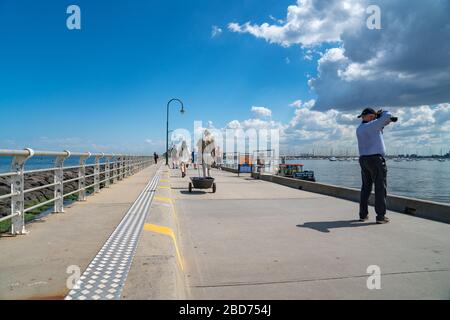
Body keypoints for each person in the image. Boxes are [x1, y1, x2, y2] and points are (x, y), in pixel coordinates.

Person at [356, 108, 394, 224]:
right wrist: (381, 113)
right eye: (371, 116)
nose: (373, 118)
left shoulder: (360, 128)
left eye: (374, 117)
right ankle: (380, 216)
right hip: (375, 160)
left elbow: (382, 123)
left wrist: (379, 120)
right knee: (380, 188)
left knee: (366, 188)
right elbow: (388, 115)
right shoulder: (372, 125)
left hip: (364, 159)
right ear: (367, 116)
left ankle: (363, 215)